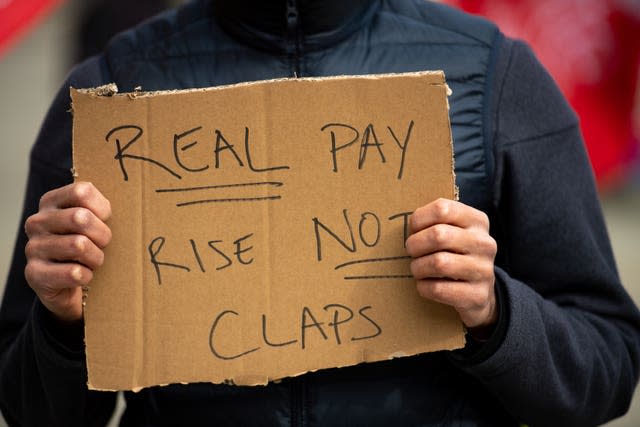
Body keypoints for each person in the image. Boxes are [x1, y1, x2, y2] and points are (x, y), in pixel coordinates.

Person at [1, 0, 639, 425]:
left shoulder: (492, 77)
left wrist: (496, 312)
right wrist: (62, 324)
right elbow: (27, 407)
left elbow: (608, 369)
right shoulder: (115, 92)